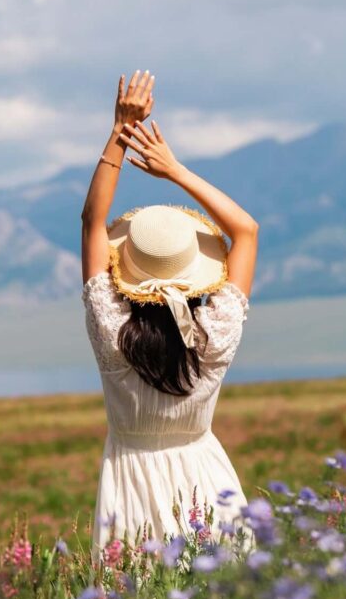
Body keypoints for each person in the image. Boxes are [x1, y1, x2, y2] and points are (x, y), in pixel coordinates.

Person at [81, 70, 259, 555]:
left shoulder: (113, 334)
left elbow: (92, 221)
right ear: (201, 274)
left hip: (128, 487)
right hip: (208, 484)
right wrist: (175, 170)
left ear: (127, 274)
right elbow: (245, 231)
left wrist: (121, 128)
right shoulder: (215, 336)